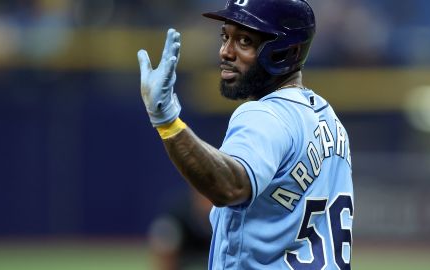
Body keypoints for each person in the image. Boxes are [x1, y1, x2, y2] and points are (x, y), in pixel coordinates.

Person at [137, 0, 354, 269]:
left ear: (286, 51)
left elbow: (229, 187)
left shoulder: (263, 115)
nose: (225, 52)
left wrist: (167, 121)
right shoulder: (330, 121)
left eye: (244, 41)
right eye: (225, 37)